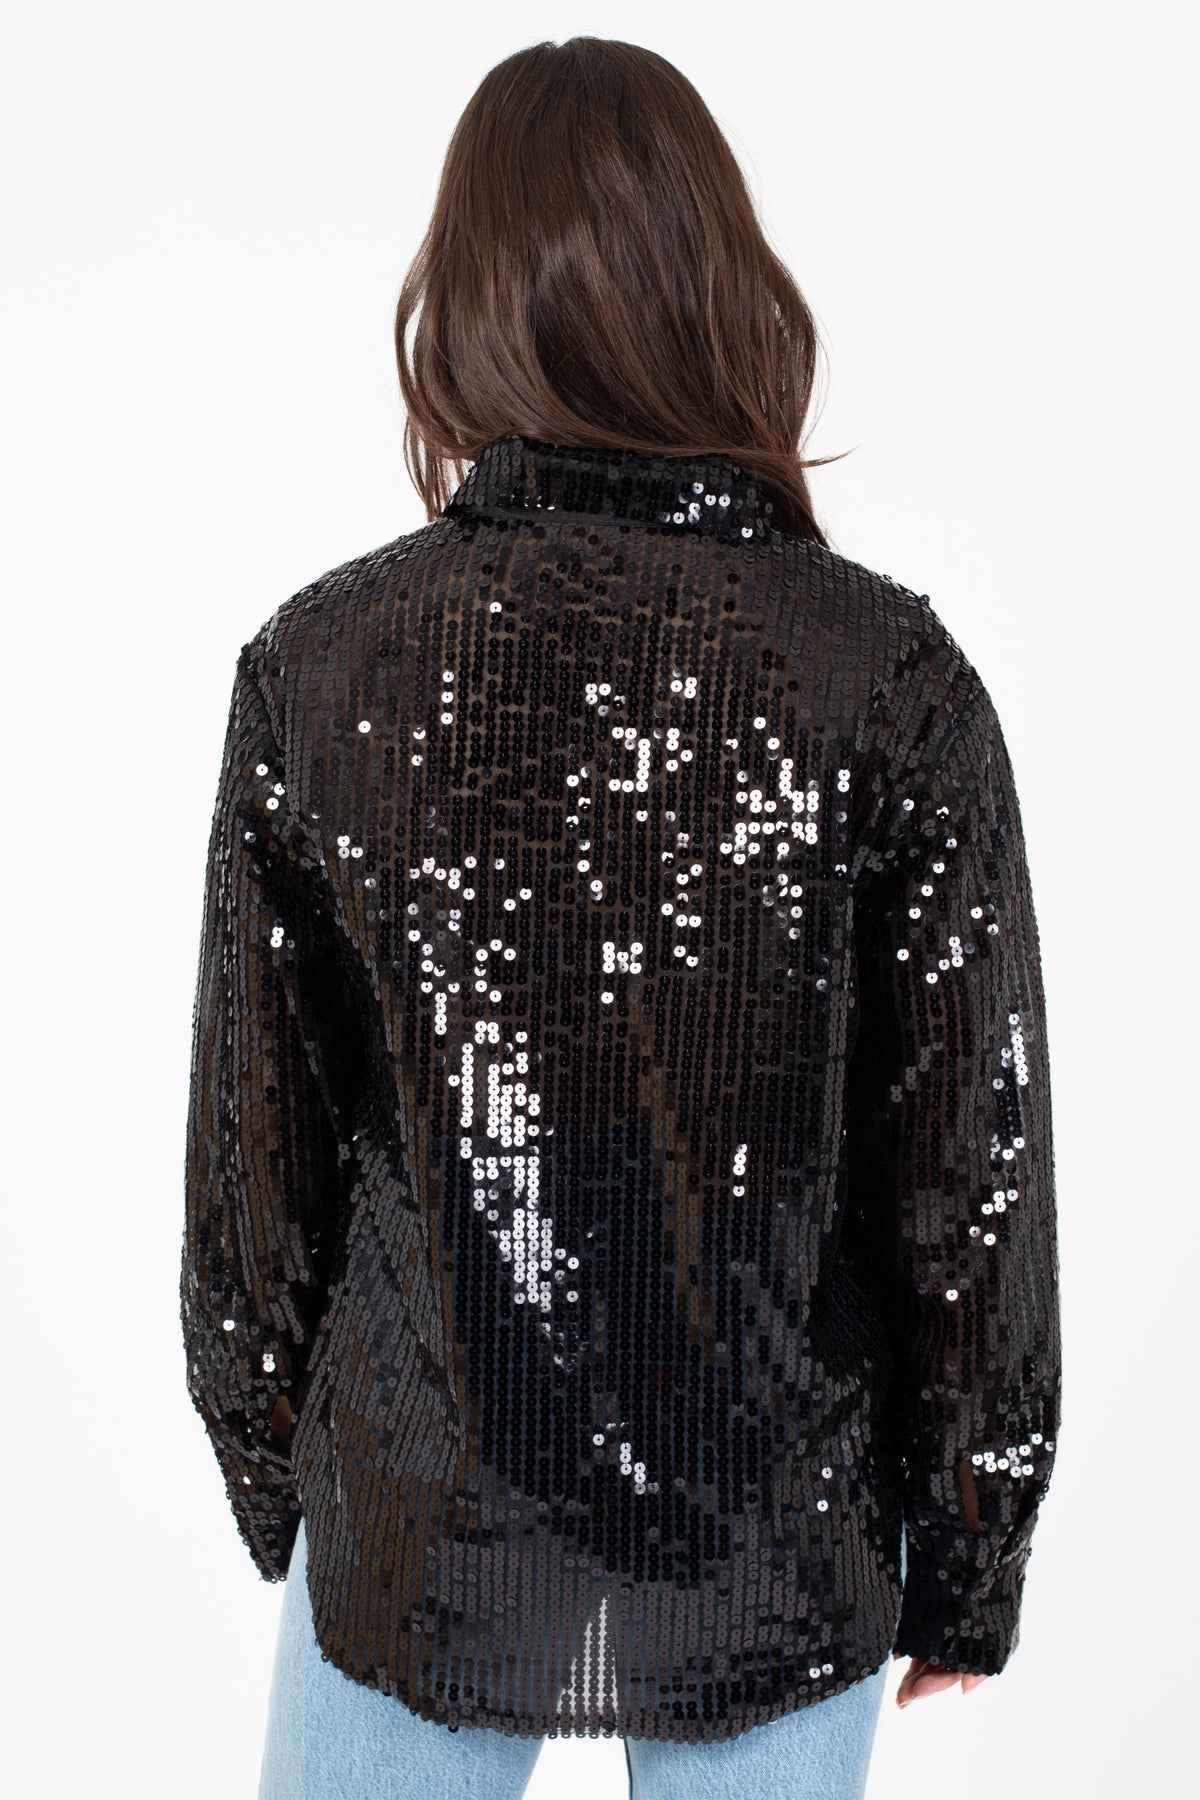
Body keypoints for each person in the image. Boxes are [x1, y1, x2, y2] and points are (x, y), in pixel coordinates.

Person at [180, 35, 1062, 1800]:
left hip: (417, 1517)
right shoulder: (887, 677)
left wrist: (279, 1469)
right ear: (723, 286)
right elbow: (966, 1177)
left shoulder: (322, 664)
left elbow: (252, 1167)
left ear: (461, 299)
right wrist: (974, 1535)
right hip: (775, 1533)